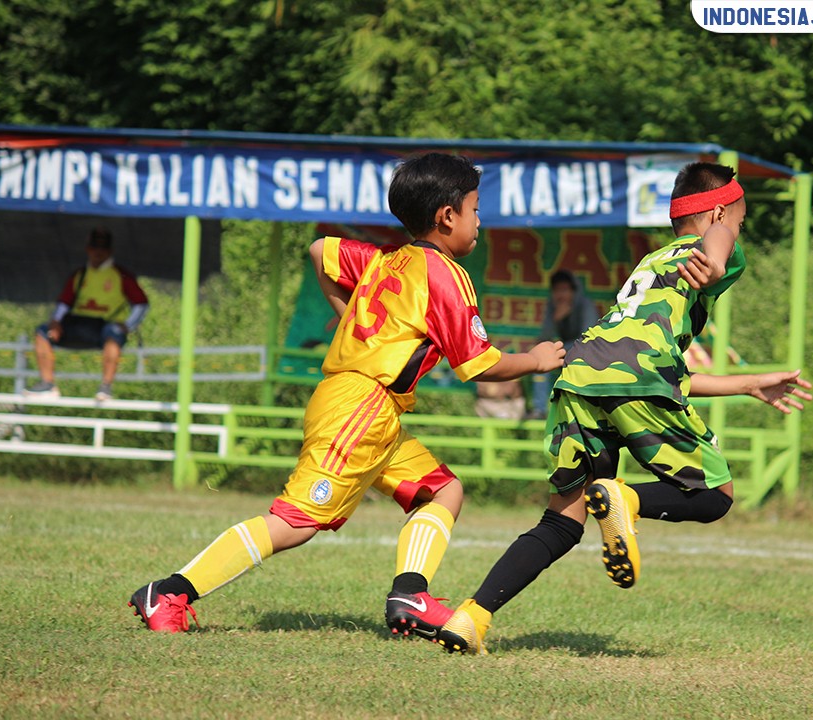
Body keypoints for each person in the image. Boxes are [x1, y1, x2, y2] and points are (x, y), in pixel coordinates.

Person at [128, 153, 566, 635]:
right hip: (361, 408)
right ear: (447, 216)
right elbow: (480, 365)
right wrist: (538, 358)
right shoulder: (445, 276)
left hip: (367, 406)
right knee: (295, 521)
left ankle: (410, 595)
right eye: (476, 209)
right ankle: (169, 591)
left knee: (442, 490)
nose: (480, 222)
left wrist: (349, 315)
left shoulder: (388, 260)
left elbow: (321, 250)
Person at [433, 161, 813, 655]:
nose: (736, 231)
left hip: (582, 373)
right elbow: (718, 242)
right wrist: (719, 256)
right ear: (721, 211)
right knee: (714, 494)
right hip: (636, 375)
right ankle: (626, 499)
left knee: (562, 521)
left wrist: (748, 383)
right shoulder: (713, 248)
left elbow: (651, 369)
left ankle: (471, 618)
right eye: (738, 221)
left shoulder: (653, 265)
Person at [24, 227, 149, 402]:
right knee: (43, 331)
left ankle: (105, 387)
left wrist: (128, 325)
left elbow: (141, 303)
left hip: (103, 327)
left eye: (102, 248)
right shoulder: (80, 274)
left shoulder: (120, 275)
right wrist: (55, 322)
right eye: (94, 248)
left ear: (109, 251)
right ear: (88, 249)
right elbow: (64, 302)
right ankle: (47, 384)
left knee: (114, 333)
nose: (97, 252)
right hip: (79, 324)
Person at [527, 269, 598, 419]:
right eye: (557, 290)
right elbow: (544, 338)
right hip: (565, 350)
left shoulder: (585, 305)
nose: (561, 295)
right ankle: (540, 409)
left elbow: (588, 338)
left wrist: (559, 348)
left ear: (573, 291)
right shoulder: (553, 307)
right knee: (539, 363)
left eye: (565, 290)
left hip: (588, 353)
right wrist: (556, 319)